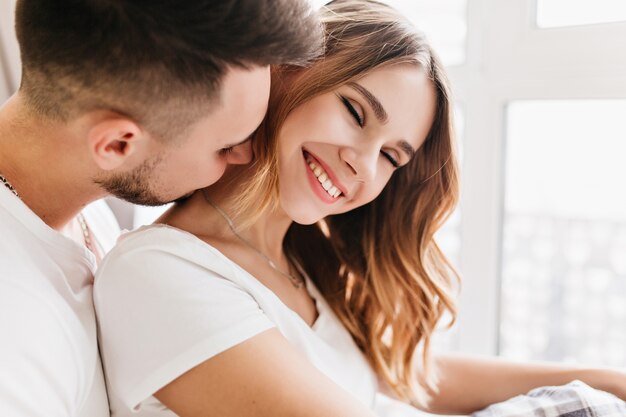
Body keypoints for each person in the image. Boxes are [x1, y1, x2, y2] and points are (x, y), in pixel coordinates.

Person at [94, 1, 626, 416]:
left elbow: (405, 375)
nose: (364, 167)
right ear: (287, 71)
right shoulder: (161, 272)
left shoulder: (302, 266)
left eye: (392, 155)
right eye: (355, 112)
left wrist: (608, 379)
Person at [0, 0, 322, 416]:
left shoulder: (76, 199)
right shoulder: (15, 344)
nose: (247, 156)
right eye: (226, 146)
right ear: (117, 144)